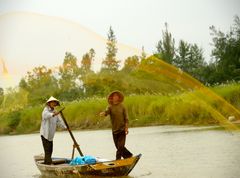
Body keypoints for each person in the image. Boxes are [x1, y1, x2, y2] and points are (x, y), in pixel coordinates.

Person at [100, 91, 133, 160]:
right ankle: (128, 156)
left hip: (122, 129)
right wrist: (103, 113)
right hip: (114, 131)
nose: (115, 97)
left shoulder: (122, 106)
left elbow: (126, 118)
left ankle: (118, 160)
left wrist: (126, 128)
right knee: (118, 147)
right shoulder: (110, 107)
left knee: (120, 147)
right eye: (114, 96)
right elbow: (106, 112)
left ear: (119, 97)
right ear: (112, 98)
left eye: (116, 96)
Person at [40, 96, 67, 164]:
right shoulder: (46, 110)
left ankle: (47, 163)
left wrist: (65, 127)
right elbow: (45, 115)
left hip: (51, 135)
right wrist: (53, 114)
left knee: (50, 150)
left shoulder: (55, 112)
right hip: (44, 134)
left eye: (54, 102)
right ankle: (49, 164)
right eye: (52, 102)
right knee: (47, 150)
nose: (54, 103)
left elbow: (59, 121)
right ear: (49, 103)